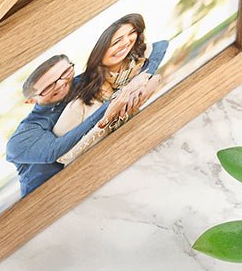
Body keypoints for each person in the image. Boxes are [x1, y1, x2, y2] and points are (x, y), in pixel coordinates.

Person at [6, 54, 131, 197]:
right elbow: (53, 151)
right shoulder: (24, 135)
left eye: (65, 73)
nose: (61, 84)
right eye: (48, 86)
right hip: (47, 199)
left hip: (95, 176)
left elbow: (150, 54)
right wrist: (110, 106)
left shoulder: (79, 82)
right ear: (31, 101)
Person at [53, 14, 168, 165]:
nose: (125, 43)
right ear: (100, 52)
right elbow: (62, 157)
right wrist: (104, 122)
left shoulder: (137, 71)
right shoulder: (79, 105)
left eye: (131, 34)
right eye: (116, 41)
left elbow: (158, 46)